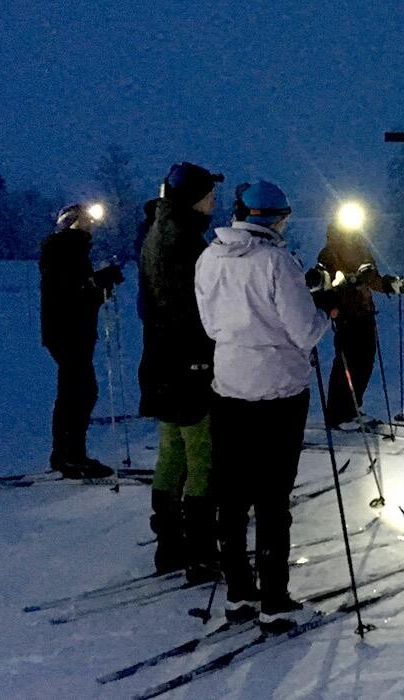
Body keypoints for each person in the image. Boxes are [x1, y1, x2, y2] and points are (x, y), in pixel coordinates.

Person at [194, 180, 332, 631]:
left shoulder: (209, 256)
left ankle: (238, 594)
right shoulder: (276, 261)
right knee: (272, 497)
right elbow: (304, 331)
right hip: (277, 392)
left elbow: (210, 321)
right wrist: (326, 312)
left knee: (232, 495)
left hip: (229, 386)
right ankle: (274, 598)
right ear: (275, 217)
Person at [138, 162, 224, 582]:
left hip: (160, 361)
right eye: (209, 196)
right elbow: (198, 309)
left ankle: (170, 544)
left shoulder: (157, 232)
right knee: (201, 456)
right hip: (189, 363)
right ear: (193, 199)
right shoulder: (187, 243)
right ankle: (201, 550)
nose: (213, 203)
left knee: (172, 451)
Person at [39, 203, 124, 479]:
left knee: (76, 392)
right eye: (86, 220)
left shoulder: (70, 250)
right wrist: (101, 283)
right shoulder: (64, 250)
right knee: (79, 392)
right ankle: (70, 455)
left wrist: (102, 284)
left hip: (72, 330)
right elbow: (74, 293)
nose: (91, 224)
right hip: (67, 332)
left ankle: (67, 453)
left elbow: (83, 292)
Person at [316, 219, 404, 430]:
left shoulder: (361, 249)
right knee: (349, 363)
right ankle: (339, 414)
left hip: (364, 313)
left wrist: (388, 285)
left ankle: (351, 409)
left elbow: (371, 278)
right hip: (345, 315)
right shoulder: (329, 253)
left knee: (365, 362)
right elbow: (325, 283)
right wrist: (349, 284)